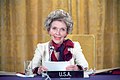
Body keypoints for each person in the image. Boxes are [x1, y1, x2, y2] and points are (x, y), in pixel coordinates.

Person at [31, 9, 88, 74]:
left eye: (62, 29)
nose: (58, 33)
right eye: (54, 28)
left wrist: (77, 68)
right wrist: (38, 70)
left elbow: (85, 66)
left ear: (67, 33)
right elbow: (31, 68)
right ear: (49, 30)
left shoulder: (75, 46)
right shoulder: (41, 47)